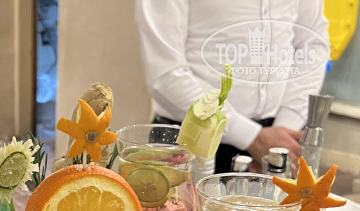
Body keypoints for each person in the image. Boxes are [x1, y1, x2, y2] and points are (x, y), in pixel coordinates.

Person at [134, 1, 330, 172]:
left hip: (276, 138)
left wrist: (284, 130)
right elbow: (165, 73)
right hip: (190, 140)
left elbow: (313, 44)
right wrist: (252, 138)